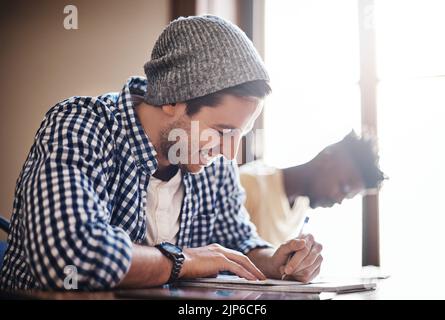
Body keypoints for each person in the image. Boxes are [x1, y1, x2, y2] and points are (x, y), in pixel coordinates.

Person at [0, 15, 323, 290]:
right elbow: (68, 259)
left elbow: (238, 242)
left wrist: (274, 262)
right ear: (172, 99)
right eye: (224, 131)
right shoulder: (81, 126)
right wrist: (184, 260)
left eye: (241, 134)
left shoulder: (211, 163)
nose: (230, 152)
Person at [240, 131, 385, 246]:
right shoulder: (249, 184)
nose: (339, 200)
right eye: (343, 188)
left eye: (347, 197)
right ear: (326, 159)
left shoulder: (301, 206)